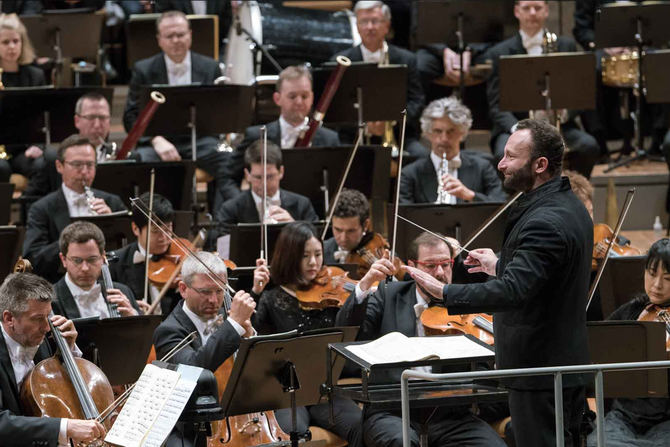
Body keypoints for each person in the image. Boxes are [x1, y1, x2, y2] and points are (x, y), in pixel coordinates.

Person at [407, 119, 592, 447]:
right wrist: (500, 264)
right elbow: (546, 275)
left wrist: (444, 291)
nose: (500, 164)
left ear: (539, 165)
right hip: (559, 363)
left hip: (539, 370)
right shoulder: (568, 204)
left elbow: (513, 291)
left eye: (510, 157)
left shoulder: (545, 221)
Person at [335, 232, 506, 447]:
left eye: (446, 264)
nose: (440, 273)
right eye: (430, 266)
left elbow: (482, 368)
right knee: (400, 442)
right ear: (411, 266)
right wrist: (365, 284)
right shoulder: (388, 295)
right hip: (393, 411)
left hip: (448, 415)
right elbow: (349, 332)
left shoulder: (464, 301)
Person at [251, 221, 362, 447]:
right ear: (290, 256)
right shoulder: (272, 299)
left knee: (360, 425)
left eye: (318, 254)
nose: (314, 262)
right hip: (286, 391)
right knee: (295, 432)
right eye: (305, 256)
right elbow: (252, 338)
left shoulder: (332, 293)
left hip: (325, 388)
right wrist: (256, 292)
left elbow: (353, 330)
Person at [123, 10, 230, 209]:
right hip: (159, 142)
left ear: (190, 35)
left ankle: (221, 226)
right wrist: (156, 140)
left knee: (229, 162)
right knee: (141, 161)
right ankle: (155, 223)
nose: (176, 40)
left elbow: (220, 111)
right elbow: (130, 117)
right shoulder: (143, 70)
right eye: (169, 36)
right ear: (159, 40)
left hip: (201, 141)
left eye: (180, 35)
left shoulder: (210, 67)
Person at [152, 251, 256, 446]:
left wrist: (249, 339)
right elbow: (194, 372)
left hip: (234, 416)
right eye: (206, 292)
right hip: (190, 424)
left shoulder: (229, 316)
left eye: (219, 291)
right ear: (183, 289)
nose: (214, 300)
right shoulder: (168, 331)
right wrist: (233, 326)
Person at [486, 0, 599, 178]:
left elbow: (579, 95)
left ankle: (571, 196)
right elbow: (496, 106)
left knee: (588, 147)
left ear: (546, 11)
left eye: (538, 8)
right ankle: (519, 203)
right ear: (517, 11)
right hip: (516, 125)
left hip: (558, 126)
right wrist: (518, 130)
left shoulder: (565, 46)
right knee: (503, 154)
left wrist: (565, 112)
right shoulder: (499, 52)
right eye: (526, 8)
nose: (532, 13)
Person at [0, 272, 106, 446]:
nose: (47, 327)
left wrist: (68, 349)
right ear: (9, 318)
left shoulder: (43, 336)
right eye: (37, 319)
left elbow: (60, 389)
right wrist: (64, 427)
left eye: (48, 316)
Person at [586, 238, 670, 447]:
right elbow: (595, 346)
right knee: (599, 442)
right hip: (624, 416)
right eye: (652, 274)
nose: (657, 285)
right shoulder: (631, 311)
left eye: (667, 278)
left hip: (666, 421)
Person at [224, 65, 341, 200]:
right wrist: (242, 205)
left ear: (312, 97)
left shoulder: (329, 139)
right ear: (277, 98)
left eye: (304, 96)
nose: (299, 102)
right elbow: (228, 176)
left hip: (312, 214)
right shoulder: (257, 136)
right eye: (292, 96)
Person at [22, 135, 127, 283]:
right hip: (60, 289)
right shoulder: (41, 209)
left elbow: (128, 256)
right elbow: (33, 259)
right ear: (59, 166)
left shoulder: (112, 203)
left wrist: (112, 225)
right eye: (77, 164)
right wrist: (72, 235)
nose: (84, 172)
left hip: (106, 285)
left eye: (90, 165)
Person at [333, 0, 426, 159]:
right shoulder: (341, 61)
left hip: (399, 136)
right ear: (356, 26)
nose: (370, 27)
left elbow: (416, 101)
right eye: (364, 21)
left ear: (387, 26)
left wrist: (392, 122)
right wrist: (366, 127)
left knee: (422, 156)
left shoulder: (406, 59)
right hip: (353, 136)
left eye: (375, 21)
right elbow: (336, 109)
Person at [399, 96, 507, 204]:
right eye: (438, 131)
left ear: (463, 132)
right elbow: (403, 216)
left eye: (451, 131)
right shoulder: (409, 174)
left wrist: (470, 196)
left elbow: (501, 205)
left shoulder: (483, 168)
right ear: (428, 133)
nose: (444, 138)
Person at [26, 92, 115, 197]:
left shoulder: (122, 158)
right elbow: (33, 203)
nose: (97, 125)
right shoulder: (51, 161)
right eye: (91, 117)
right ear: (77, 121)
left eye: (102, 117)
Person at [108, 192, 181, 315]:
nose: (164, 237)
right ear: (136, 229)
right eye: (155, 231)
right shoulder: (114, 263)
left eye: (168, 228)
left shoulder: (179, 259)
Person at [215, 139, 318, 226]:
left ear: (281, 172)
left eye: (270, 177)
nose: (264, 184)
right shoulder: (230, 210)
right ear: (247, 175)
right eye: (258, 177)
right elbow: (223, 247)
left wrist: (294, 228)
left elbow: (317, 242)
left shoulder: (302, 205)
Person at [52, 221, 140, 319]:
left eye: (92, 259)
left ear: (103, 257)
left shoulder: (123, 291)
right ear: (63, 260)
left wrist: (133, 317)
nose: (85, 268)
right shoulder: (50, 301)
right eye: (77, 260)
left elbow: (144, 332)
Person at [0, 13, 47, 184]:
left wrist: (38, 146)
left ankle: (32, 210)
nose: (12, 47)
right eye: (5, 42)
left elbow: (42, 118)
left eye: (16, 41)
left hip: (24, 150)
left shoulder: (35, 76)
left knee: (44, 164)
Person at [322, 188, 395, 279]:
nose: (343, 238)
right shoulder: (321, 251)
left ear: (366, 225)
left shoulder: (381, 252)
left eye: (351, 231)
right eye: (338, 230)